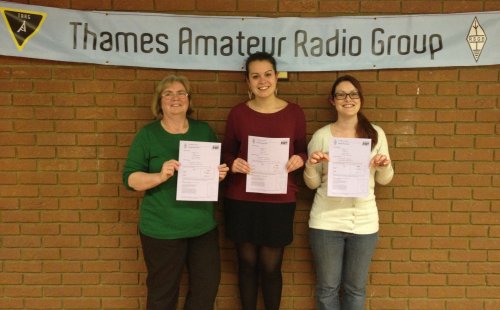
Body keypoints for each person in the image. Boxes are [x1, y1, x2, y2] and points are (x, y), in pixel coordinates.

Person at [122, 75, 229, 310]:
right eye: (168, 94)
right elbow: (130, 180)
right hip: (161, 229)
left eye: (181, 93)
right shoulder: (148, 135)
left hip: (202, 227)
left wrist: (219, 173)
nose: (175, 98)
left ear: (189, 100)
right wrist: (159, 176)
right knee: (163, 293)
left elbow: (214, 170)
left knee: (206, 288)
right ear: (159, 102)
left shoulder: (203, 131)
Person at [221, 51, 307, 310]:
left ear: (276, 77)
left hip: (279, 200)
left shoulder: (294, 113)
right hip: (241, 199)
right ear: (247, 81)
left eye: (268, 74)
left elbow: (303, 149)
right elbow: (226, 152)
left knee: (271, 267)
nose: (262, 81)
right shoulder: (237, 113)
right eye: (255, 76)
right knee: (246, 266)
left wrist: (300, 159)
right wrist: (233, 163)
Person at [303, 75, 394, 310]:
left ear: (360, 98)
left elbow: (384, 180)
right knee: (327, 289)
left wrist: (383, 165)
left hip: (364, 223)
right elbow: (312, 184)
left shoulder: (376, 134)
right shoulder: (322, 136)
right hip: (326, 222)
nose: (348, 99)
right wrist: (311, 165)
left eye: (353, 93)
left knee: (355, 289)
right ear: (332, 101)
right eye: (341, 94)